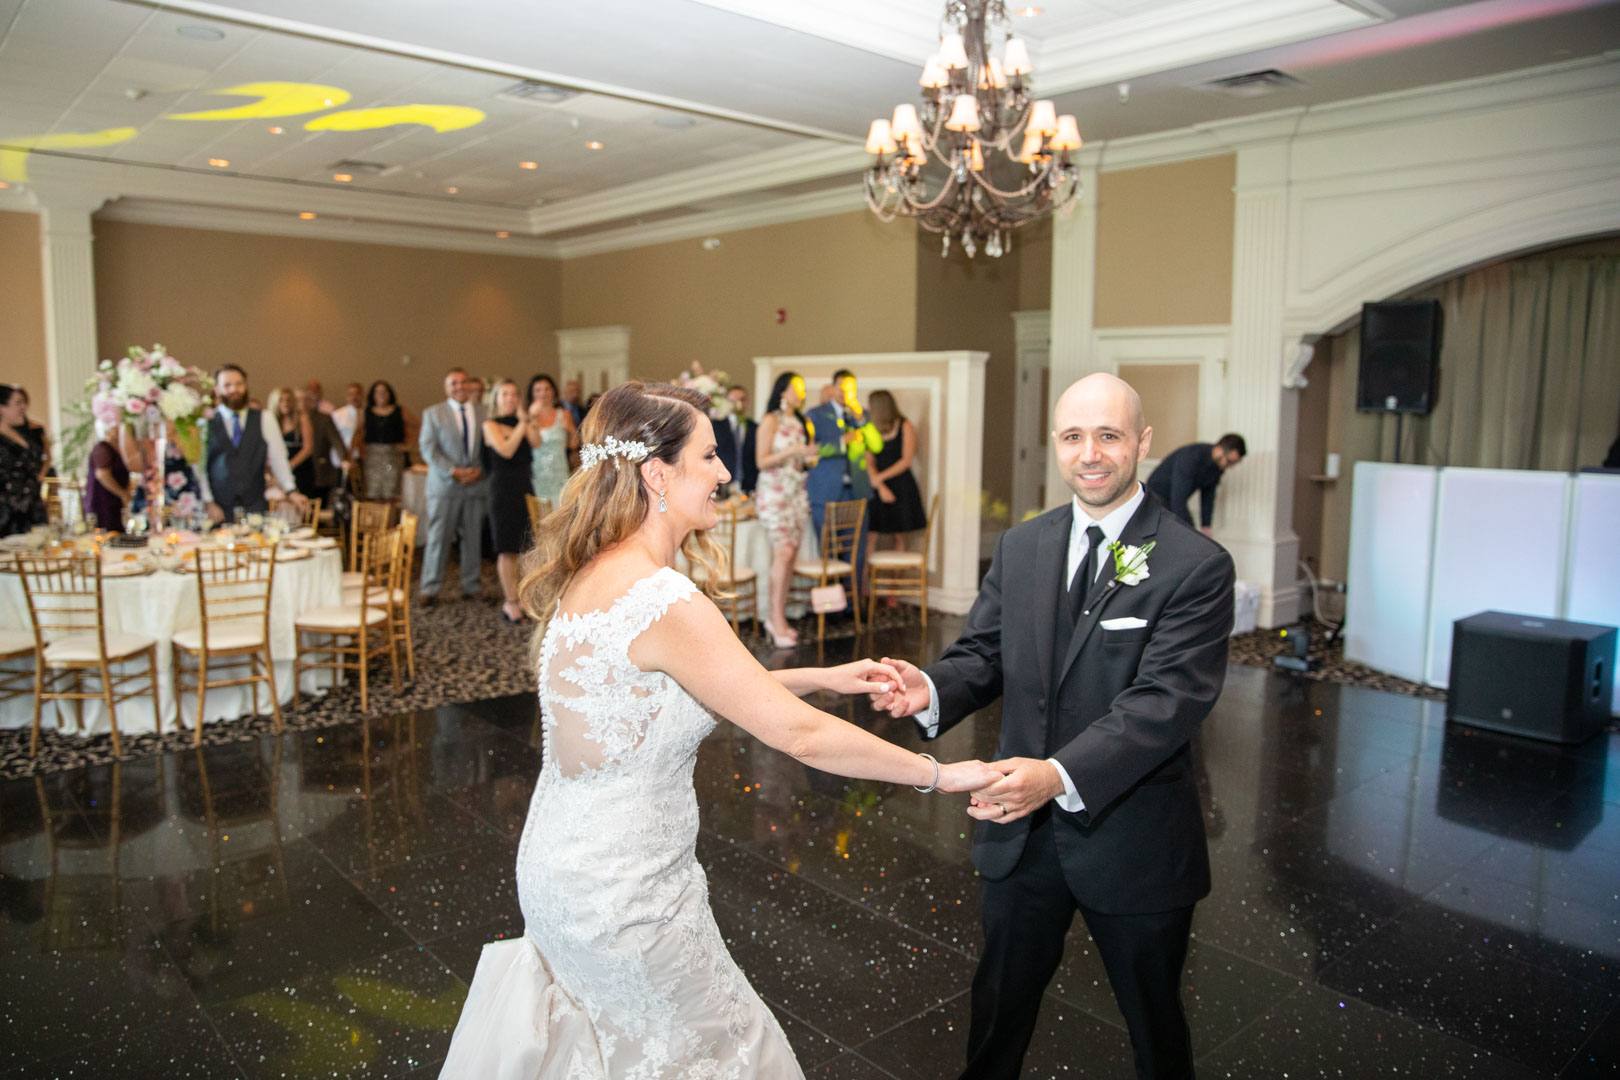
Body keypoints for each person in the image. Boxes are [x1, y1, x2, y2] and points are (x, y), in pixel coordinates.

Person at [437, 379, 998, 1077]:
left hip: (562, 871)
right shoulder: (663, 599)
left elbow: (683, 691)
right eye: (708, 456)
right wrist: (941, 773)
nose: (727, 473)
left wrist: (825, 675)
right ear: (656, 474)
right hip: (628, 896)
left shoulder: (593, 573)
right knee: (723, 1051)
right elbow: (800, 737)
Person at [873, 373, 1235, 1080]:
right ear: (1056, 444)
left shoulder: (1195, 564)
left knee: (1156, 1026)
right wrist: (931, 687)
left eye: (1108, 435)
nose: (1089, 453)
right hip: (1019, 832)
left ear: (1143, 442)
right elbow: (984, 653)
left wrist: (1058, 776)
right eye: (1073, 436)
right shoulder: (1022, 546)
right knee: (997, 1014)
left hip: (1134, 838)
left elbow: (1166, 702)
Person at [753, 372, 821, 648]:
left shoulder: (802, 421)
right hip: (774, 494)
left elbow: (805, 461)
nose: (801, 393)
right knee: (782, 552)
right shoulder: (771, 420)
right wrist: (792, 451)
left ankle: (778, 616)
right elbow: (761, 461)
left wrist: (809, 457)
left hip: (796, 493)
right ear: (783, 392)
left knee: (791, 554)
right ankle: (774, 617)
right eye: (797, 388)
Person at [804, 368, 882, 605]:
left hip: (856, 491)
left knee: (856, 551)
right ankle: (829, 605)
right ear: (833, 388)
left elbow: (877, 446)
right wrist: (841, 442)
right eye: (842, 387)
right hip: (825, 491)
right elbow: (811, 449)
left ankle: (852, 604)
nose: (846, 392)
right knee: (827, 550)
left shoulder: (861, 416)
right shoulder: (815, 414)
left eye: (851, 388)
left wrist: (862, 421)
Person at [197, 365, 308, 523]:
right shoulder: (205, 423)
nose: (234, 389)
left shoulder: (265, 418)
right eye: (227, 385)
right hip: (219, 508)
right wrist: (208, 502)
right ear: (217, 389)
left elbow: (278, 458)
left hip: (254, 506)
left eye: (239, 384)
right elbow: (199, 467)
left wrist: (291, 490)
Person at [418, 368, 487, 605]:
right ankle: (430, 587)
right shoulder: (433, 413)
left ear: (470, 384)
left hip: (475, 485)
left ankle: (471, 585)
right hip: (444, 487)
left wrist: (480, 470)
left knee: (472, 539)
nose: (459, 387)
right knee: (439, 538)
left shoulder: (484, 412)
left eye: (463, 382)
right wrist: (452, 471)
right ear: (446, 387)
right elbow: (428, 449)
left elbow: (489, 447)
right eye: (454, 383)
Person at [483, 378, 539, 624]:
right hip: (502, 489)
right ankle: (510, 602)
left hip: (524, 487)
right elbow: (506, 450)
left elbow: (536, 442)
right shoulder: (489, 424)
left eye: (514, 394)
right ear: (496, 398)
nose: (510, 398)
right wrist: (522, 426)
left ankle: (523, 598)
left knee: (524, 547)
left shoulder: (522, 422)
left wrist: (525, 422)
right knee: (506, 548)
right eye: (505, 394)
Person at [864, 390, 927, 572]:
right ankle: (865, 584)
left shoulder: (905, 426)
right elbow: (868, 460)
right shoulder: (869, 429)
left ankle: (895, 586)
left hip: (900, 485)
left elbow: (906, 460)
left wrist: (880, 478)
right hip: (877, 486)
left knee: (899, 537)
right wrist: (879, 485)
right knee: (870, 536)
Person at [1143, 434, 1245, 537]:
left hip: (1173, 499)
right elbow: (1178, 500)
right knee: (1180, 533)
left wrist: (1206, 526)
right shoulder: (1191, 458)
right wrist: (1192, 533)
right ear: (1219, 449)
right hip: (1156, 495)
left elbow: (1208, 497)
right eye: (1229, 461)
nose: (1229, 466)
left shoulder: (1216, 469)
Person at [0, 385, 48, 536]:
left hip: (33, 508)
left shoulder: (24, 433)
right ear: (2, 408)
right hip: (9, 513)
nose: (23, 407)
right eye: (18, 403)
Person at [526, 374, 577, 505]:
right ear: (532, 394)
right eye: (538, 390)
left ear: (553, 391)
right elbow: (535, 443)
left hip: (560, 471)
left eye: (547, 389)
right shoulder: (528, 417)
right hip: (538, 473)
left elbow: (573, 445)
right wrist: (532, 418)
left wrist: (571, 429)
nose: (543, 393)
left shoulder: (564, 414)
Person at [297, 384, 351, 505]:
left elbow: (336, 441)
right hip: (297, 471)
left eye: (306, 399)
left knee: (318, 504)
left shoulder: (323, 419)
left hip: (318, 471)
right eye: (299, 400)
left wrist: (344, 460)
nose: (302, 403)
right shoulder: (291, 421)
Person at [355, 380, 409, 499]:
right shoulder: (365, 412)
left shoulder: (399, 411)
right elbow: (357, 433)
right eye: (378, 392)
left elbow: (417, 427)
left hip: (392, 455)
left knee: (391, 492)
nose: (381, 395)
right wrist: (358, 451)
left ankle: (390, 511)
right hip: (373, 456)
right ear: (373, 395)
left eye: (384, 392)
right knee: (374, 491)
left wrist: (408, 446)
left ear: (390, 394)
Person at [83, 423, 143, 531]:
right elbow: (102, 475)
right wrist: (123, 494)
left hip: (116, 501)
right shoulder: (102, 448)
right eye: (115, 428)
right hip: (103, 500)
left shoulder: (122, 449)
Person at [268, 387, 317, 500]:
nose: (285, 403)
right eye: (281, 400)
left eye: (288, 400)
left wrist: (290, 465)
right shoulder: (271, 421)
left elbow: (308, 448)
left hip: (300, 467)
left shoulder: (302, 418)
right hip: (278, 468)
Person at [712, 383, 758, 495]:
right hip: (723, 484)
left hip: (749, 485)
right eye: (733, 400)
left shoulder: (754, 427)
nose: (738, 404)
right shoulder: (716, 426)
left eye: (742, 400)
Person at [12, 386, 51, 482]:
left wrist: (42, 474)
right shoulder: (7, 431)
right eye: (17, 403)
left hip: (35, 478)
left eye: (23, 402)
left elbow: (48, 456)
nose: (21, 406)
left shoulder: (36, 428)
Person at [331, 382, 364, 452]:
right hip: (343, 453)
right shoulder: (337, 415)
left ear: (362, 395)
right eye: (350, 394)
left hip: (364, 454)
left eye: (357, 394)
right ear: (346, 396)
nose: (354, 397)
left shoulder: (368, 414)